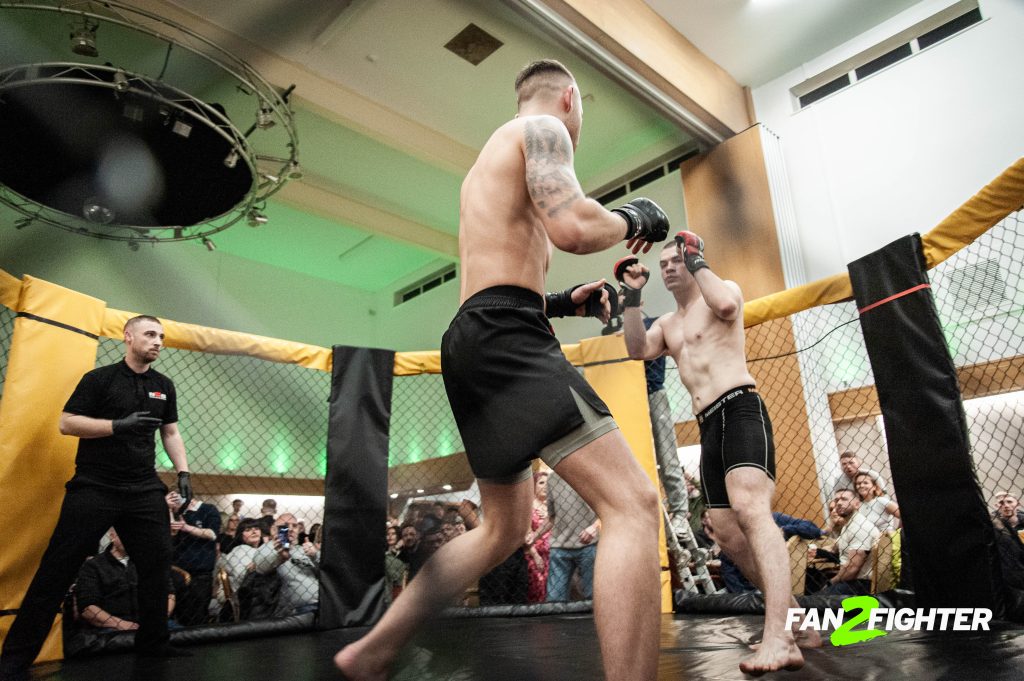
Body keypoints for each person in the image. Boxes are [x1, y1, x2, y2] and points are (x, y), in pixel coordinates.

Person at [335, 59, 666, 681]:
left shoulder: (490, 160)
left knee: (504, 528)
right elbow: (573, 226)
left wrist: (563, 302)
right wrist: (637, 217)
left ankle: (370, 651)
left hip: (474, 338)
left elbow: (500, 281)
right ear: (569, 97)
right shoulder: (544, 130)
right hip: (505, 336)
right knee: (633, 503)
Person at [621, 236, 818, 673]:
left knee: (752, 510)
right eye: (664, 263)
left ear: (694, 262)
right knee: (727, 532)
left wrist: (698, 259)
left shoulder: (721, 291)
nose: (670, 267)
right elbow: (636, 349)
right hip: (708, 424)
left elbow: (728, 307)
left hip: (740, 408)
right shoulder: (669, 324)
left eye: (678, 260)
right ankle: (795, 618)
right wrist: (631, 297)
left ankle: (779, 636)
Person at [0, 315, 193, 680]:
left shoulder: (163, 385)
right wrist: (116, 426)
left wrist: (183, 471)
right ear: (128, 337)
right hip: (95, 486)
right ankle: (15, 659)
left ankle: (153, 642)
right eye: (150, 334)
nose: (158, 342)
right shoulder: (100, 379)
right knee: (56, 570)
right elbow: (67, 422)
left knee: (156, 565)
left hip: (142, 487)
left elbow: (170, 432)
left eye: (162, 336)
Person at [72, 529, 176, 634]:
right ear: (112, 536)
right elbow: (87, 608)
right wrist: (120, 624)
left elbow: (169, 593)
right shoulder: (94, 566)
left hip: (153, 622)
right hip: (111, 627)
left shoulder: (149, 560)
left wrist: (159, 617)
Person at [545, 470, 599, 602]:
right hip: (559, 546)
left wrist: (594, 527)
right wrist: (534, 537)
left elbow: (607, 509)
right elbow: (552, 517)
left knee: (592, 596)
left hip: (588, 544)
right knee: (554, 599)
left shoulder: (590, 474)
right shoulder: (552, 479)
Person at [168, 492, 221, 625]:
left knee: (197, 614)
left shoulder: (208, 510)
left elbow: (212, 534)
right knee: (178, 613)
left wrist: (187, 528)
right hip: (176, 571)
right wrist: (168, 510)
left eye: (175, 501)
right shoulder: (176, 513)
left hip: (200, 573)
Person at [818, 489, 880, 595]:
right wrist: (815, 550)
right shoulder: (848, 525)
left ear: (857, 504)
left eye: (844, 499)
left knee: (811, 601)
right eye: (837, 500)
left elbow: (852, 568)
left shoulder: (860, 526)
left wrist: (831, 583)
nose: (839, 503)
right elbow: (835, 548)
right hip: (848, 580)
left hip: (860, 584)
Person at [525, 470, 553, 603]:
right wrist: (535, 556)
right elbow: (526, 534)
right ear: (534, 485)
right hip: (535, 556)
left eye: (548, 483)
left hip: (553, 555)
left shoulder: (552, 506)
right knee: (538, 591)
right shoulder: (528, 507)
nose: (545, 486)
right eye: (541, 482)